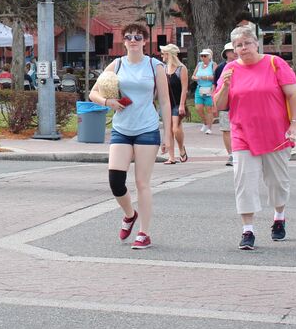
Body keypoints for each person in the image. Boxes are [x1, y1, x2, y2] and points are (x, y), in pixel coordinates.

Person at [213, 24, 296, 250]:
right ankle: (248, 230)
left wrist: (294, 124)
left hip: (276, 134)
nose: (243, 48)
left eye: (247, 43)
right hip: (243, 134)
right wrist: (225, 86)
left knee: (277, 183)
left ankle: (279, 217)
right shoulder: (230, 69)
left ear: (256, 43)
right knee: (244, 183)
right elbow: (220, 105)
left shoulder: (275, 64)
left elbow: (293, 94)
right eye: (238, 45)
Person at [88, 22, 172, 250]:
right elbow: (93, 93)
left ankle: (144, 233)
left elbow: (164, 101)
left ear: (145, 41)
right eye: (128, 37)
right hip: (121, 129)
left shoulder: (155, 66)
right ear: (123, 42)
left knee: (142, 182)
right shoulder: (116, 65)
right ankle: (129, 214)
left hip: (147, 129)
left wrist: (168, 136)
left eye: (137, 37)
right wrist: (108, 102)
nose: (133, 40)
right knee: (115, 182)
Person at [159, 43, 189, 163]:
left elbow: (184, 88)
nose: (162, 56)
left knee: (175, 128)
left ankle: (181, 148)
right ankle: (171, 157)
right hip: (167, 103)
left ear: (168, 54)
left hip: (177, 102)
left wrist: (182, 104)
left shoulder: (181, 68)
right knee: (169, 129)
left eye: (163, 54)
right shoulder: (163, 69)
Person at [213, 42, 236, 167]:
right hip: (225, 103)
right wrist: (214, 104)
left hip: (239, 104)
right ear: (226, 53)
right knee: (226, 129)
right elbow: (215, 86)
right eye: (231, 50)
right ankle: (231, 154)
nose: (234, 52)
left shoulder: (243, 65)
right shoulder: (221, 67)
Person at [192, 48, 216, 133]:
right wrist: (196, 78)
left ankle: (209, 128)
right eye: (201, 56)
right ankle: (205, 122)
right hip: (200, 88)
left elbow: (215, 77)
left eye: (204, 56)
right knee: (198, 108)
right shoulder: (199, 65)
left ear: (209, 57)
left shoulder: (213, 64)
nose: (203, 57)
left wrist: (205, 77)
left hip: (209, 89)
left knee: (209, 109)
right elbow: (193, 76)